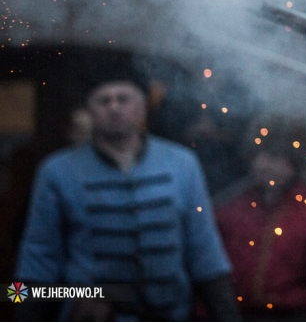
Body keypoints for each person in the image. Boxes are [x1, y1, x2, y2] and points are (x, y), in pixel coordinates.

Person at [15, 80, 238, 321]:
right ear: (90, 111)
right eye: (104, 100)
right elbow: (35, 265)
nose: (114, 107)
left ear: (142, 107)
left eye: (123, 99)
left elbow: (205, 252)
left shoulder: (183, 164)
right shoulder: (56, 171)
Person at [215, 119, 306, 321]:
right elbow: (210, 274)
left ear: (294, 160)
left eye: (273, 156)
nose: (263, 164)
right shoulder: (232, 208)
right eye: (258, 155)